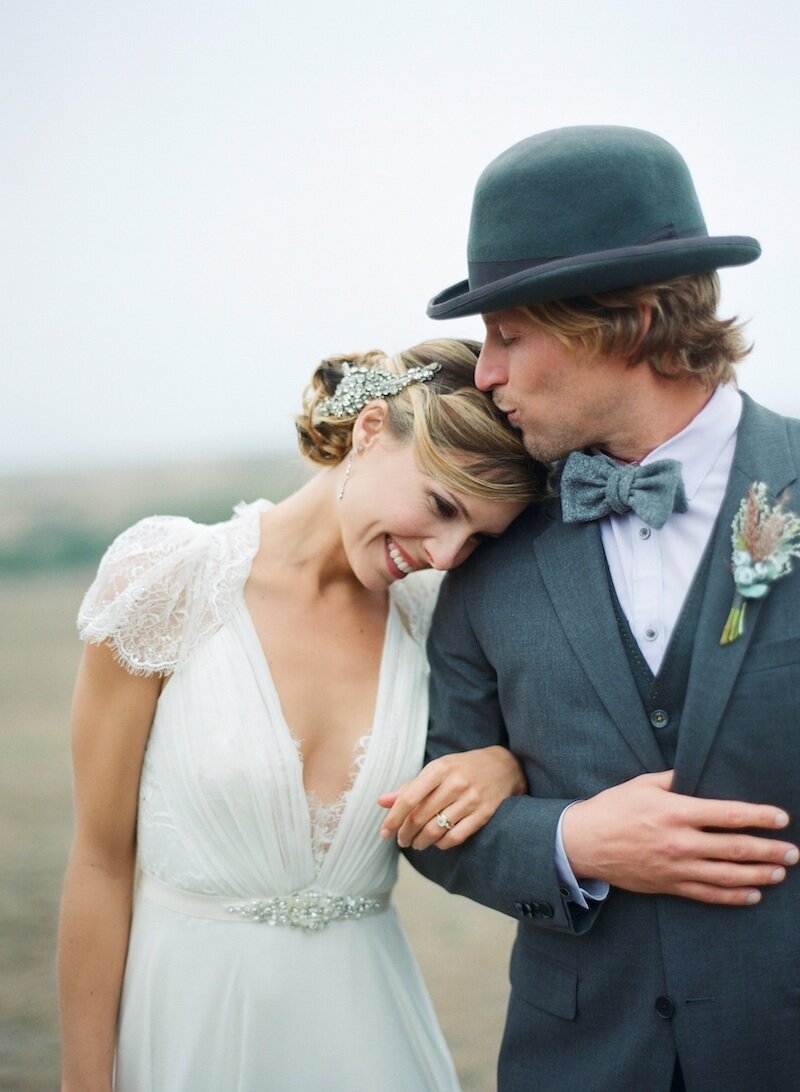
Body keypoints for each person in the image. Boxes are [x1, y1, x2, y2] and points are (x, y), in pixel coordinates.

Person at [383, 127, 800, 1091]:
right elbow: (437, 817)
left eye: (510, 336)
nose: (484, 374)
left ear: (632, 323)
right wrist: (570, 842)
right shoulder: (492, 548)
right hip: (579, 1060)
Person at [57, 337, 545, 1092]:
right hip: (188, 1029)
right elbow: (97, 860)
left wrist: (501, 764)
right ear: (370, 429)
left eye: (477, 536)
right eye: (443, 506)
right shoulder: (166, 580)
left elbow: (489, 764)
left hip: (373, 1042)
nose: (447, 554)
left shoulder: (435, 622)